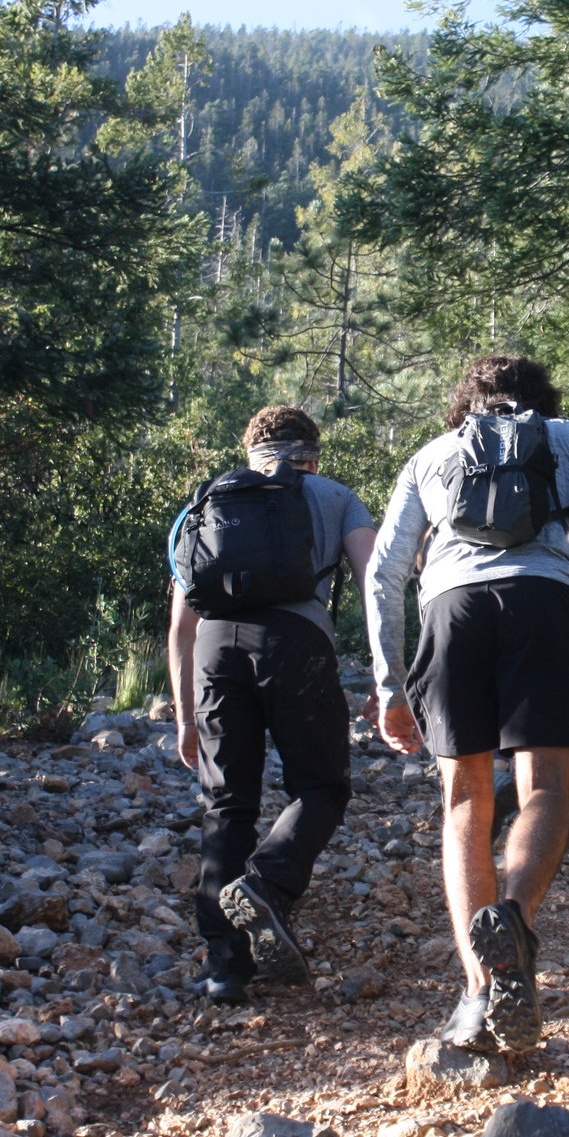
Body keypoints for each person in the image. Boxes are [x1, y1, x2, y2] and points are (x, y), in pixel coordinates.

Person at [365, 356, 569, 1054]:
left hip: (451, 611)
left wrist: (391, 684)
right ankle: (512, 919)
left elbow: (384, 571)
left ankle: (478, 994)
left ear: (465, 406)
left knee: (465, 801)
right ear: (542, 400)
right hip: (542, 601)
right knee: (545, 787)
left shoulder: (431, 455)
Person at [166, 405, 376, 1002]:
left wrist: (185, 716)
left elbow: (180, 626)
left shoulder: (207, 502)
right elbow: (375, 582)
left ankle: (224, 967)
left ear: (250, 453)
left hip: (215, 648)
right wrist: (388, 674)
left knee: (226, 804)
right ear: (313, 457)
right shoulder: (336, 497)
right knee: (321, 787)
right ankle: (267, 882)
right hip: (294, 643)